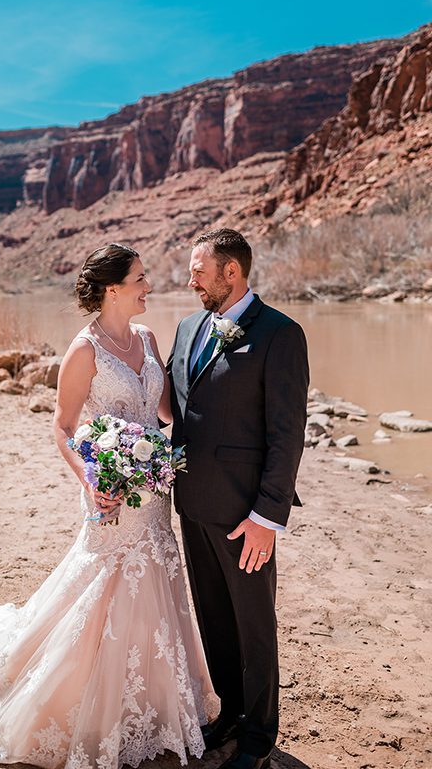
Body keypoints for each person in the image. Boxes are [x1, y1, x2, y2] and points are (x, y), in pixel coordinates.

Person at [0, 244, 216, 768]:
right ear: (113, 289)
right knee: (104, 586)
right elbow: (62, 426)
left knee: (157, 581)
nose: (149, 285)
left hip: (153, 489)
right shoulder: (84, 350)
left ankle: (155, 702)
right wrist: (90, 476)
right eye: (140, 278)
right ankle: (84, 707)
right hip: (108, 490)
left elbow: (167, 410)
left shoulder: (149, 339)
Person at [167, 228, 307, 769]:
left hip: (245, 513)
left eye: (200, 269)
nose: (191, 278)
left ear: (232, 272)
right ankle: (228, 713)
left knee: (254, 626)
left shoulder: (279, 334)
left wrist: (267, 517)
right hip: (192, 505)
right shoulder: (185, 327)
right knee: (214, 620)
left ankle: (258, 737)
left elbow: (287, 433)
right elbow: (179, 409)